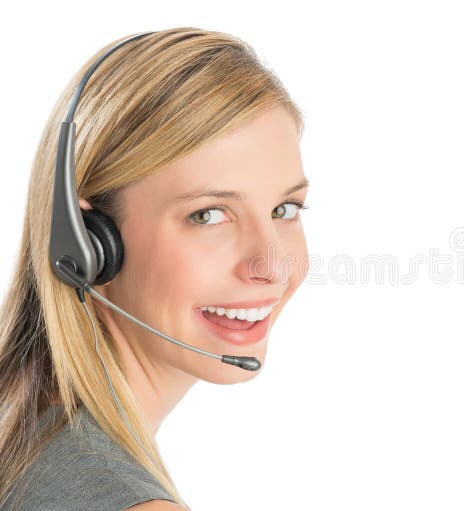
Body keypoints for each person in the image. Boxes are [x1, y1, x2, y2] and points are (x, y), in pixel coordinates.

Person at [0, 27, 310, 510]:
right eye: (208, 215)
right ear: (87, 242)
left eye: (285, 209)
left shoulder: (22, 431)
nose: (271, 266)